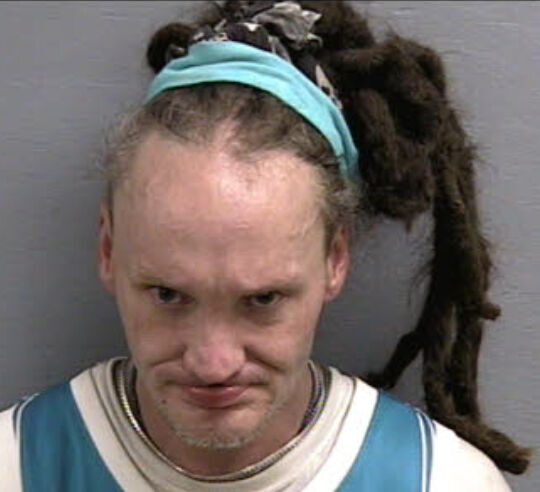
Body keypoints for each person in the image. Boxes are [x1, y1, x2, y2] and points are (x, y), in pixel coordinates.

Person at [0, 1, 530, 490]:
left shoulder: (440, 481)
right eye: (167, 295)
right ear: (108, 250)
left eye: (263, 299)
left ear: (335, 259)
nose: (213, 363)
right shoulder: (16, 466)